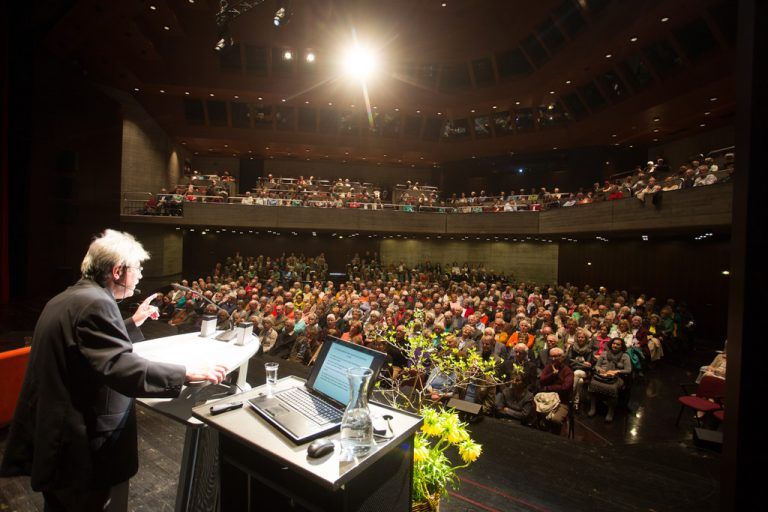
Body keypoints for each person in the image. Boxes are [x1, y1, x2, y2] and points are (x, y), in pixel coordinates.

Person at [0, 229, 227, 512]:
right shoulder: (96, 303)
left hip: (60, 442)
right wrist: (183, 373)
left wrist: (133, 322)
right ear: (117, 271)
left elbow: (89, 349)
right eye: (138, 268)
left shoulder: (72, 297)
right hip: (81, 451)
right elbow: (118, 365)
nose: (142, 275)